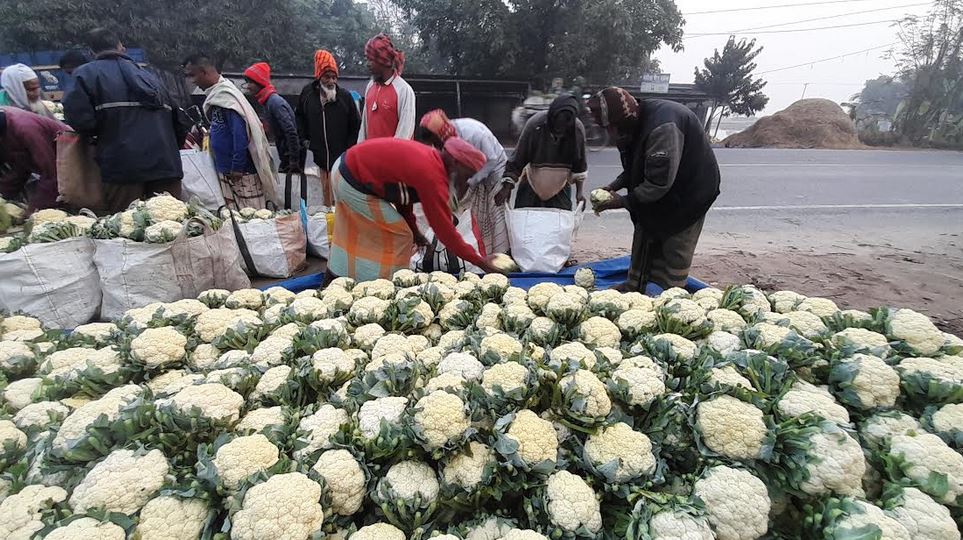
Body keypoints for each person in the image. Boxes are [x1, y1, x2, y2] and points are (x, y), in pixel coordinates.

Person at [588, 87, 720, 291]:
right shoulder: (632, 126)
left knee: (674, 244)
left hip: (689, 193)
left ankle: (670, 293)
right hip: (664, 182)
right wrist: (615, 185)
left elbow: (657, 184)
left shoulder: (663, 128)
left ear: (621, 120)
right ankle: (634, 285)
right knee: (645, 231)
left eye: (610, 127)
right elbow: (637, 168)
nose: (608, 133)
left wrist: (621, 201)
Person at [326, 137, 505, 283]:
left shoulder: (431, 160)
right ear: (455, 164)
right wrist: (481, 262)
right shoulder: (432, 175)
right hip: (352, 181)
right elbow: (445, 232)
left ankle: (334, 278)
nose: (466, 180)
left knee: (355, 233)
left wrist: (416, 233)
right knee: (398, 236)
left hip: (343, 169)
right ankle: (387, 286)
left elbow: (402, 196)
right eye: (467, 174)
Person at [63, 29, 188, 212]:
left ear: (91, 52)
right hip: (166, 165)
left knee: (126, 228)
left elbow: (80, 121)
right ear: (121, 47)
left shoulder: (85, 75)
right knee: (173, 225)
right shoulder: (150, 77)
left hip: (121, 168)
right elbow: (179, 123)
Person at [183, 54, 276, 209]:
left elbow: (240, 135)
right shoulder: (217, 97)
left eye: (193, 75)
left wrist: (237, 167)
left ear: (204, 71)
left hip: (240, 173)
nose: (192, 81)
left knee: (250, 215)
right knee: (233, 215)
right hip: (227, 170)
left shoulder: (227, 97)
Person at [415, 109, 510, 254]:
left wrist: (474, 180)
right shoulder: (444, 138)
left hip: (494, 168)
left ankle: (501, 254)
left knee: (496, 211)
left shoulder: (474, 134)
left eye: (435, 142)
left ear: (439, 134)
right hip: (472, 173)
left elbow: (492, 159)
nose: (435, 146)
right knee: (473, 213)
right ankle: (476, 248)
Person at [496, 95, 587, 211]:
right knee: (525, 224)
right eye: (557, 126)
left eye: (564, 127)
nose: (560, 130)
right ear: (551, 117)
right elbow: (518, 159)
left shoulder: (577, 130)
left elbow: (580, 165)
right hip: (531, 185)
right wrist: (507, 188)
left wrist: (579, 194)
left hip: (560, 187)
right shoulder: (535, 125)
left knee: (559, 226)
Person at [295, 50, 361, 206]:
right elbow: (299, 117)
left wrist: (349, 150)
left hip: (342, 160)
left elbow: (356, 125)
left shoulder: (345, 97)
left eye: (334, 77)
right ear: (319, 77)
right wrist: (304, 140)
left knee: (342, 199)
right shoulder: (308, 95)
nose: (331, 81)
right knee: (326, 199)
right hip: (321, 159)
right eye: (327, 77)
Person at [0, 107, 68, 213]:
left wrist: (35, 209)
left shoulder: (25, 129)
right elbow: (20, 167)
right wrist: (3, 194)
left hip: (69, 157)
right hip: (49, 165)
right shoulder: (7, 132)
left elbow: (51, 172)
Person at [242, 62, 301, 174]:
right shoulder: (267, 102)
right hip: (285, 156)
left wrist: (294, 161)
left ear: (259, 82)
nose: (248, 86)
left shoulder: (274, 102)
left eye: (250, 82)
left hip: (290, 159)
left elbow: (291, 131)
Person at [358, 34, 415, 142]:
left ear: (383, 61)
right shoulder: (370, 86)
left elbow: (404, 135)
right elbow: (364, 128)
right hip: (371, 157)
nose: (368, 64)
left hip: (394, 158)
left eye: (371, 60)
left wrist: (388, 157)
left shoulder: (404, 90)